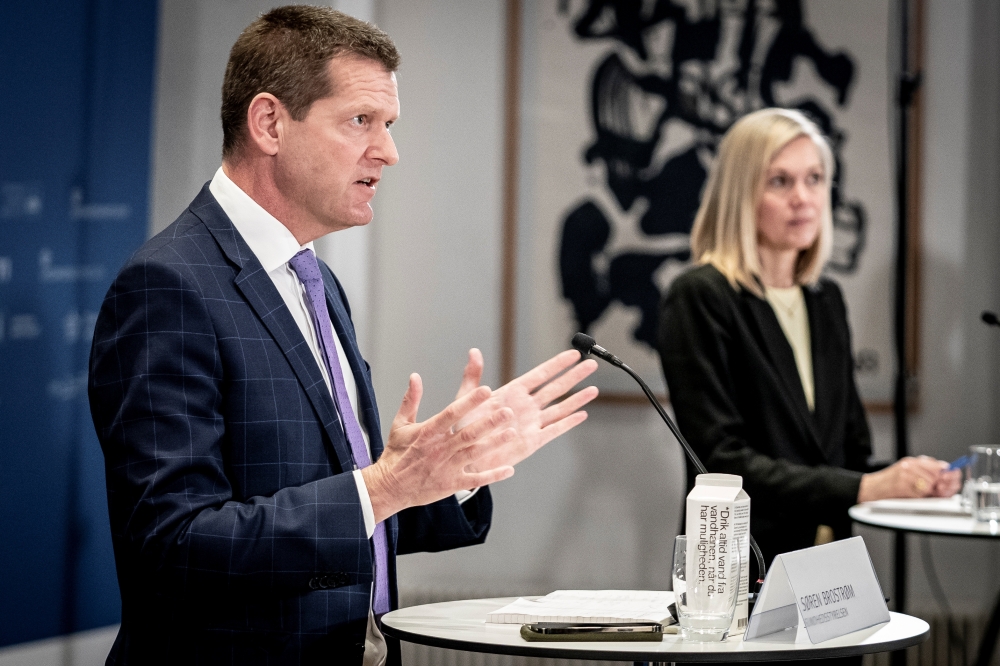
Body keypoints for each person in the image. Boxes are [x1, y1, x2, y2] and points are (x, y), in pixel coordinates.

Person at [87, 7, 598, 665]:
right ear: (270, 123)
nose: (388, 151)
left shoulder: (317, 282)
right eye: (361, 121)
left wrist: (447, 470)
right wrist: (385, 485)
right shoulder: (167, 285)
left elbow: (344, 510)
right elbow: (175, 544)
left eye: (387, 125)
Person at [657, 108, 960, 571]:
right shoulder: (700, 295)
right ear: (741, 192)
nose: (804, 198)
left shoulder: (825, 300)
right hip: (740, 565)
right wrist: (865, 487)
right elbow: (721, 463)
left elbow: (847, 454)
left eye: (815, 178)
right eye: (780, 181)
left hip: (831, 566)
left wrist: (908, 479)